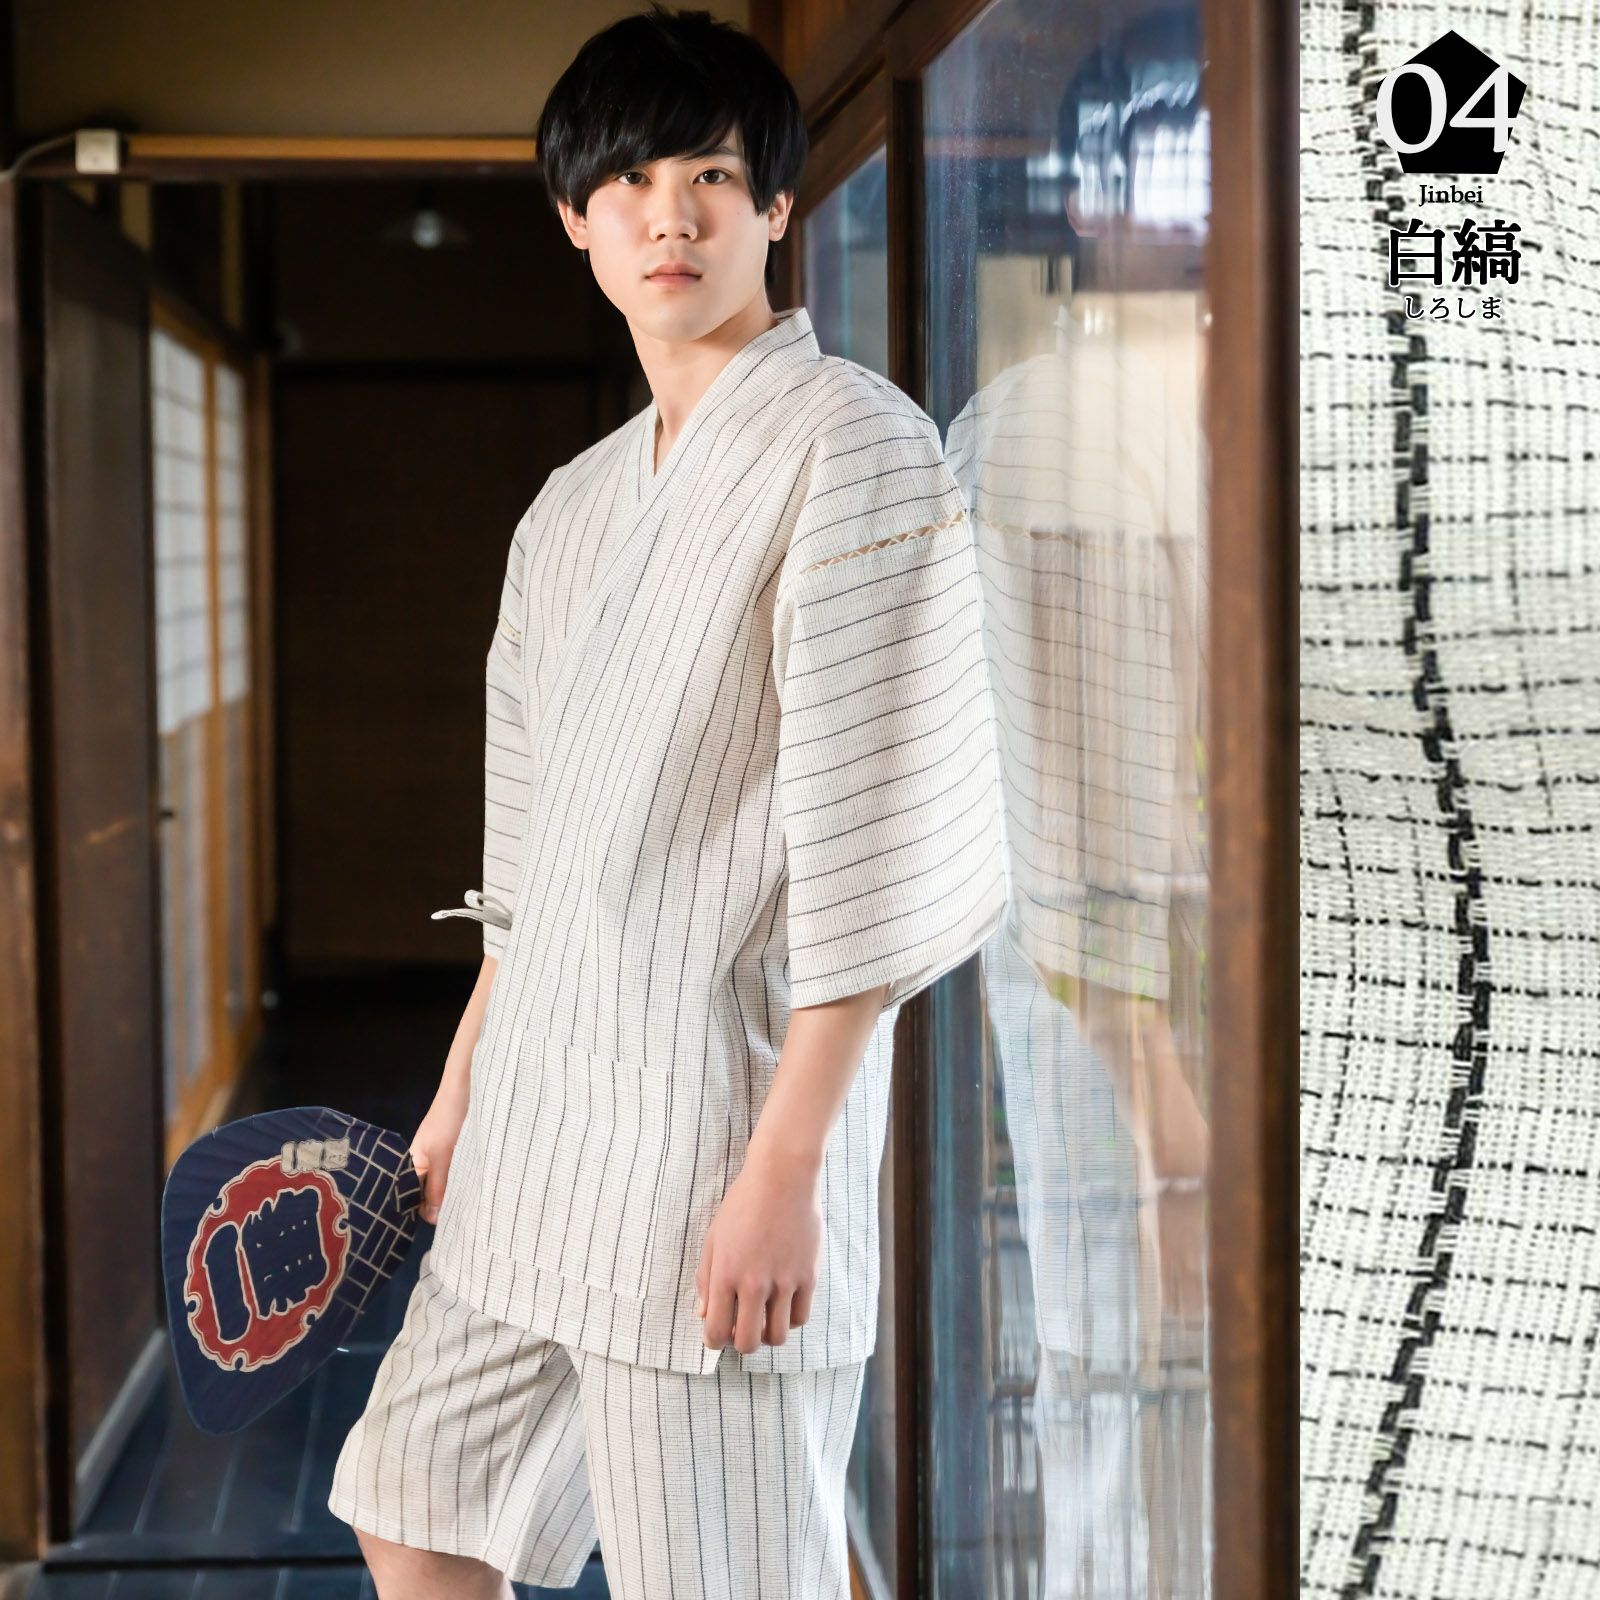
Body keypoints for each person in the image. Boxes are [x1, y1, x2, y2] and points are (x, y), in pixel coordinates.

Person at [325, 6, 1009, 1597]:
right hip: (537, 1142)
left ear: (775, 204)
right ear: (576, 220)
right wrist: (458, 1096)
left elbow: (873, 837)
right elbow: (524, 866)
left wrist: (787, 1172)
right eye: (629, 184)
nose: (670, 217)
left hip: (716, 1141)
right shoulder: (568, 508)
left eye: (709, 175)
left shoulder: (854, 445)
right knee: (410, 1505)